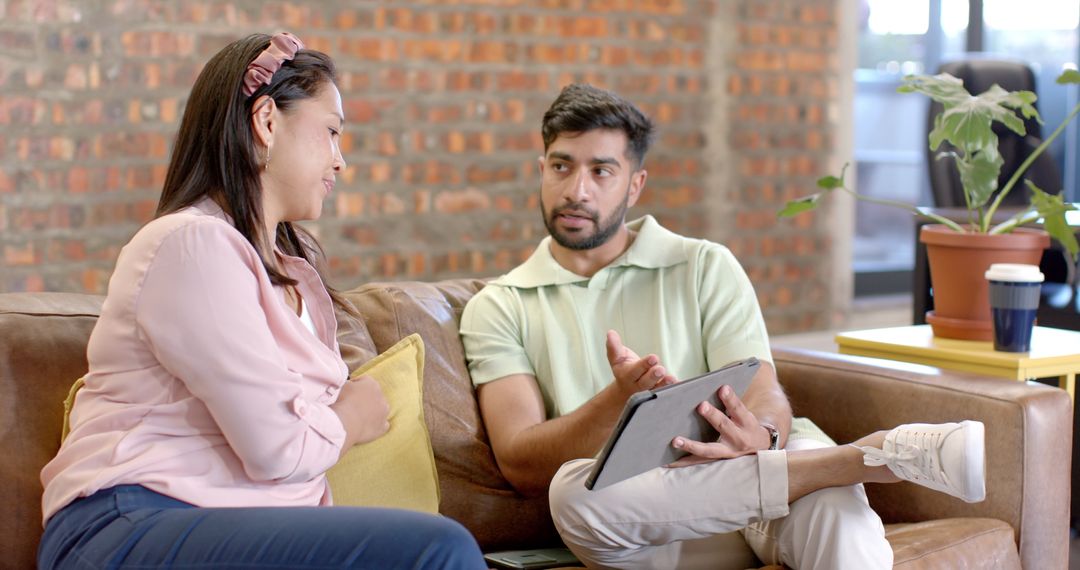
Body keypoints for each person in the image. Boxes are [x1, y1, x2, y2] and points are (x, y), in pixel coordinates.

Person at [459, 83, 985, 569]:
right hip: (646, 515)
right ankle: (864, 458)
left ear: (635, 184)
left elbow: (764, 392)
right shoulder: (500, 305)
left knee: (840, 526)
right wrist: (619, 401)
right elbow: (521, 463)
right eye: (561, 166)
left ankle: (836, 467)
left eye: (601, 171)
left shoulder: (703, 265)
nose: (577, 189)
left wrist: (765, 433)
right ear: (541, 170)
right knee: (573, 494)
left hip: (760, 481)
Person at [38, 32, 487, 570]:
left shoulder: (285, 274)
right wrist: (349, 416)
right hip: (132, 524)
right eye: (331, 132)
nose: (340, 160)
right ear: (268, 121)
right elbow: (278, 448)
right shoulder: (191, 244)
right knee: (440, 548)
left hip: (227, 525)